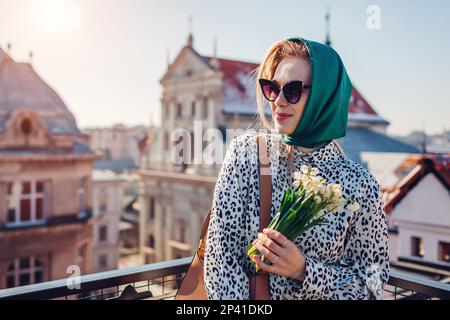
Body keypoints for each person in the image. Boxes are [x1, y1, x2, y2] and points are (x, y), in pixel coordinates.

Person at [203, 37, 389, 300]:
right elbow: (221, 261)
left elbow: (372, 284)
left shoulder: (360, 183)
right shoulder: (246, 154)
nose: (278, 101)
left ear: (325, 97)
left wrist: (304, 270)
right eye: (271, 88)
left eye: (292, 90)